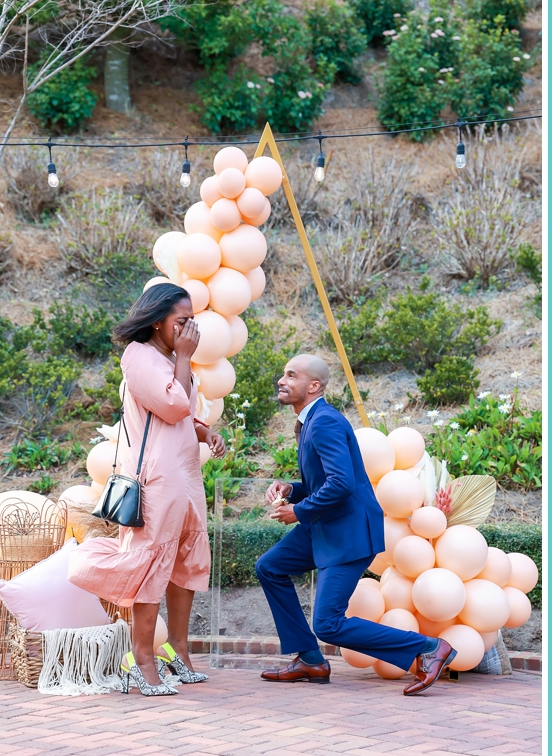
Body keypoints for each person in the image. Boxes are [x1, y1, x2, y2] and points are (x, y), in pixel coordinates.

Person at [256, 354, 456, 695]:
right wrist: (292, 489)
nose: (282, 380)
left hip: (347, 532)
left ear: (313, 385)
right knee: (270, 567)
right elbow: (328, 482)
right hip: (325, 525)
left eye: (292, 375)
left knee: (328, 624)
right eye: (283, 374)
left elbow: (342, 484)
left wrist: (299, 510)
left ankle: (428, 647)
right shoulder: (310, 421)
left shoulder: (324, 422)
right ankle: (310, 660)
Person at [67, 283, 225, 695]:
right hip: (158, 477)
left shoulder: (169, 356)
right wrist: (186, 358)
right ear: (157, 321)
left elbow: (182, 414)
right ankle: (141, 659)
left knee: (186, 562)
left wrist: (205, 431)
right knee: (150, 565)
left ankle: (178, 649)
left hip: (185, 472)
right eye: (182, 321)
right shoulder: (138, 357)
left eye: (193, 321)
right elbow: (172, 404)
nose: (190, 329)